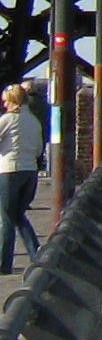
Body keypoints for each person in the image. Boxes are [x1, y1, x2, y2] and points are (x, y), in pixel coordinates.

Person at [0, 84, 41, 273]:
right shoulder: (34, 121)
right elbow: (39, 149)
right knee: (18, 214)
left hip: (10, 170)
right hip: (30, 171)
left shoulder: (8, 119)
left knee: (6, 217)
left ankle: (3, 264)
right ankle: (36, 254)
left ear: (13, 101)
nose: (4, 105)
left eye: (6, 101)